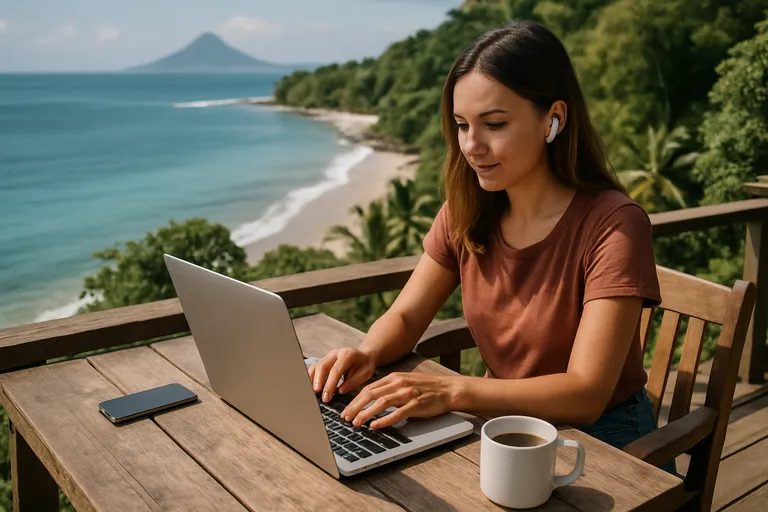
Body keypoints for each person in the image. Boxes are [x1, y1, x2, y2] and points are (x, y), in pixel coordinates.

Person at [308, 19, 676, 475]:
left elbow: (586, 393)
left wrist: (452, 392)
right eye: (462, 125)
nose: (471, 146)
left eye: (494, 124)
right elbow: (405, 315)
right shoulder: (467, 209)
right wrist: (367, 353)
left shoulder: (614, 224)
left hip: (603, 444)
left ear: (553, 119)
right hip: (499, 426)